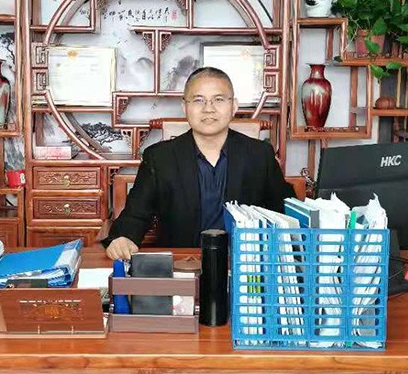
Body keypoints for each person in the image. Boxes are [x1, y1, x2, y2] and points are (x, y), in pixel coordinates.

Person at [104, 66, 294, 259]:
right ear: (184, 107)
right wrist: (123, 238)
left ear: (234, 106)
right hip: (181, 264)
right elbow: (136, 214)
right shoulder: (159, 158)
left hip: (244, 264)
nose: (208, 108)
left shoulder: (259, 154)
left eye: (219, 99)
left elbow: (285, 212)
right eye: (198, 100)